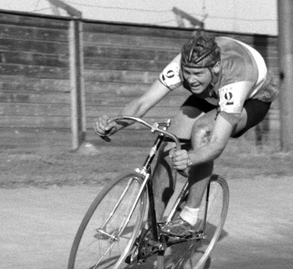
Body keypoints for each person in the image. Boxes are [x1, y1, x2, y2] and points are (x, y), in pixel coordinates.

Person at [94, 30, 278, 234]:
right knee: (167, 144)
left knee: (202, 131)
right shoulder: (184, 64)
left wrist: (190, 159)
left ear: (215, 67)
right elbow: (143, 102)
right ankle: (150, 229)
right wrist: (116, 124)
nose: (191, 80)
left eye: (197, 74)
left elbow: (217, 143)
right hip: (210, 93)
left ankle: (190, 216)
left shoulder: (236, 79)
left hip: (252, 99)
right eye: (187, 73)